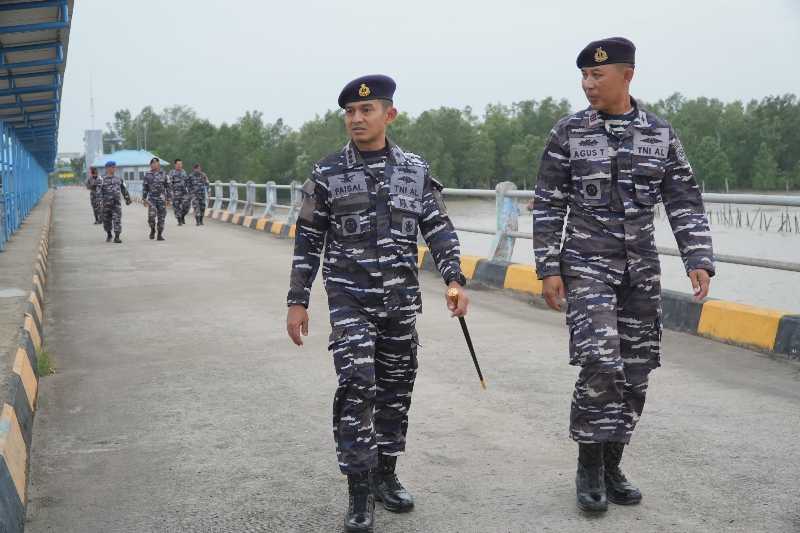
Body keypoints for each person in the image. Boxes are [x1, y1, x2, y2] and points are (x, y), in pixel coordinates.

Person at [532, 37, 715, 513]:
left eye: (598, 75)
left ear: (627, 75)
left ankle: (613, 461)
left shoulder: (659, 132)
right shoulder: (568, 132)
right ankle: (588, 465)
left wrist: (698, 257)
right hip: (587, 264)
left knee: (635, 371)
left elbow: (683, 198)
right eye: (585, 77)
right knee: (600, 362)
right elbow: (549, 204)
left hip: (641, 270)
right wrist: (548, 267)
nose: (588, 84)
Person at [285, 74, 469, 532]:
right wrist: (297, 300)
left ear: (389, 114)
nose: (356, 119)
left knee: (395, 388)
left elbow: (439, 228)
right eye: (350, 112)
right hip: (350, 299)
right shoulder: (327, 174)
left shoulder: (415, 170)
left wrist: (454, 279)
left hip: (401, 301)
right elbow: (308, 241)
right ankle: (359, 490)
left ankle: (387, 473)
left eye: (366, 111)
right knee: (357, 385)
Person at [98, 161, 131, 243]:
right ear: (107, 168)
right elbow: (98, 191)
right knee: (106, 221)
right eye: (112, 167)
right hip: (106, 204)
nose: (114, 168)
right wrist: (99, 202)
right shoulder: (101, 179)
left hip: (116, 204)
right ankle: (109, 234)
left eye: (114, 167)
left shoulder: (119, 178)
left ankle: (117, 237)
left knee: (117, 220)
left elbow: (124, 188)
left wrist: (127, 198)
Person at [142, 157, 172, 241]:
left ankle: (159, 234)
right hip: (152, 199)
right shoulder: (147, 175)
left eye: (156, 163)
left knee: (161, 217)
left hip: (161, 199)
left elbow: (168, 187)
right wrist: (144, 199)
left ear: (158, 164)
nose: (155, 165)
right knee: (151, 217)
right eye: (153, 163)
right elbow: (145, 188)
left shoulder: (164, 174)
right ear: (150, 165)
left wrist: (169, 199)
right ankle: (152, 229)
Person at [169, 159, 190, 225]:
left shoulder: (184, 172)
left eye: (181, 164)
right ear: (175, 165)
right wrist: (171, 192)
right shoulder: (172, 172)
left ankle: (182, 216)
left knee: (186, 206)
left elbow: (187, 181)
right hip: (175, 193)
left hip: (184, 192)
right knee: (177, 207)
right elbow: (169, 183)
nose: (180, 166)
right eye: (178, 164)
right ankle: (179, 220)